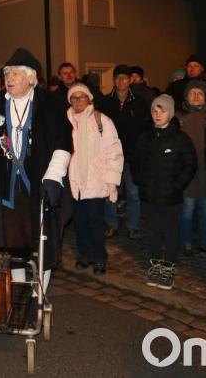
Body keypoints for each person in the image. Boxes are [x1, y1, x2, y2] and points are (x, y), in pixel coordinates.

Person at [0, 48, 72, 289]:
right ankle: (21, 289)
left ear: (31, 77)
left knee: (41, 241)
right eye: (6, 74)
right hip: (5, 187)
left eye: (15, 73)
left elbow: (63, 142)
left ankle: (39, 294)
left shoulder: (49, 102)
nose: (9, 78)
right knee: (10, 241)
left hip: (39, 184)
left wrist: (54, 176)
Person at [130, 95, 196, 290]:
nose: (157, 114)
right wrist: (139, 181)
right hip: (149, 196)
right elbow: (135, 160)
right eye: (154, 111)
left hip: (170, 197)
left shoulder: (180, 138)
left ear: (171, 113)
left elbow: (190, 164)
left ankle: (167, 266)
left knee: (170, 232)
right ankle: (155, 264)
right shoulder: (145, 136)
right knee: (152, 231)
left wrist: (176, 185)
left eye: (162, 110)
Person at [66, 84, 123, 275]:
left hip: (95, 180)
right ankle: (85, 255)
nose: (78, 101)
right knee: (80, 223)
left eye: (82, 97)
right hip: (74, 182)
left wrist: (112, 181)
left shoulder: (102, 120)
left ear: (89, 99)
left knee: (96, 222)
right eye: (74, 98)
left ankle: (99, 258)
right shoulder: (66, 121)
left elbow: (113, 151)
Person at [99, 65, 152, 240]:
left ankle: (133, 225)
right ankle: (111, 223)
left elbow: (146, 129)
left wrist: (141, 150)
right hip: (111, 156)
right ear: (113, 80)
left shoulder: (140, 102)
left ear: (130, 80)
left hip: (132, 156)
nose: (121, 81)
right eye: (118, 78)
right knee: (110, 192)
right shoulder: (106, 102)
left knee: (133, 193)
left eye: (124, 78)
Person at [176, 80, 206, 256]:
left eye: (200, 93)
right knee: (187, 210)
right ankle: (185, 241)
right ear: (186, 96)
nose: (197, 96)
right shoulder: (179, 118)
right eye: (193, 93)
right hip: (188, 172)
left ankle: (205, 240)